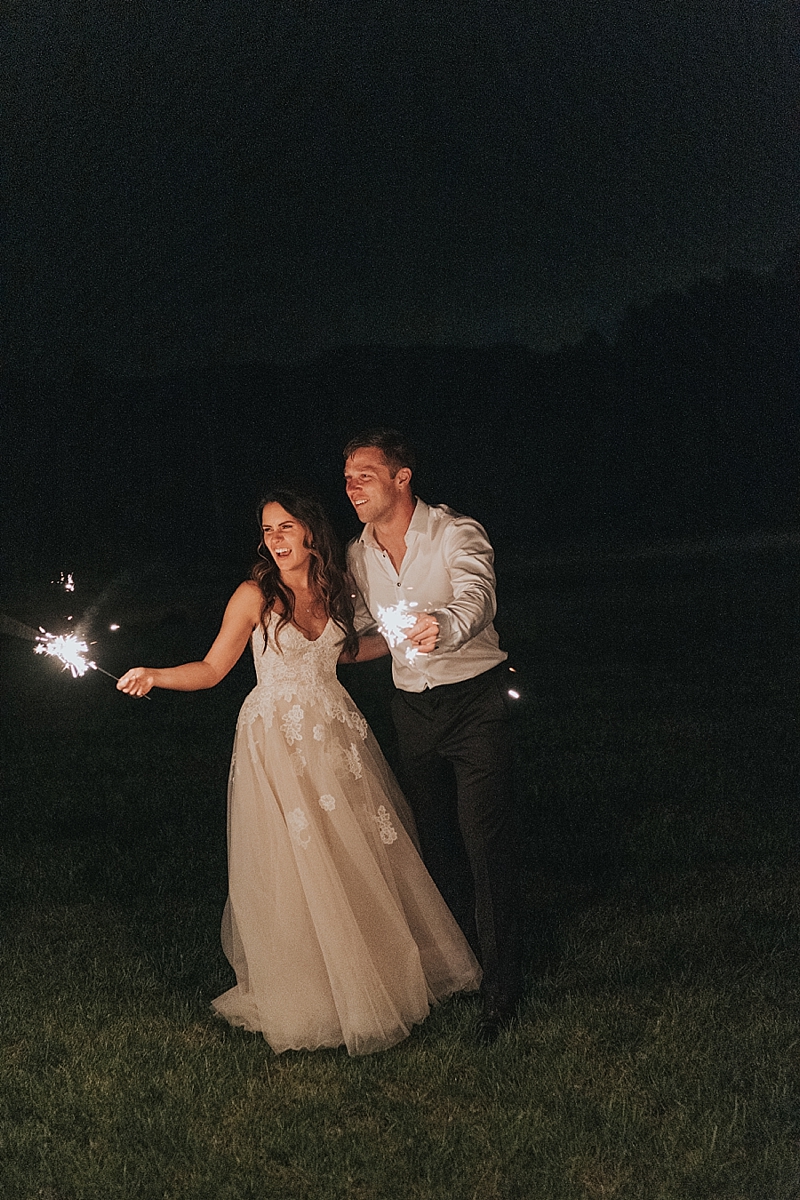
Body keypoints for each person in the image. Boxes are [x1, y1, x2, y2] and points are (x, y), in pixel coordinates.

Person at [117, 490, 480, 1056]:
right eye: (267, 530)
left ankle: (379, 974)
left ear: (312, 533)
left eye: (286, 527)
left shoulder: (338, 589)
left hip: (336, 734)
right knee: (297, 858)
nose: (276, 539)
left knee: (356, 850)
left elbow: (345, 651)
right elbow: (214, 669)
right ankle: (312, 992)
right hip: (276, 739)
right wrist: (156, 675)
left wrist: (400, 639)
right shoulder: (253, 595)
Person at [344, 431, 523, 1043]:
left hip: (476, 701)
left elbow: (478, 597)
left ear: (402, 477)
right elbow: (371, 633)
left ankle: (502, 988)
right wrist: (329, 651)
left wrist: (441, 625)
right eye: (347, 478)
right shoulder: (358, 554)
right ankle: (458, 968)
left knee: (483, 838)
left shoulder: (455, 533)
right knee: (433, 839)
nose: (352, 487)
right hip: (411, 710)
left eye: (365, 474)